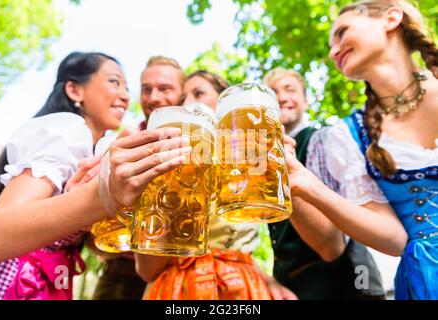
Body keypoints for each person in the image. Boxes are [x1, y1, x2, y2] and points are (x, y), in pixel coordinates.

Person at [0, 52, 190, 299]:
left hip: (49, 284)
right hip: (15, 284)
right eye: (114, 82)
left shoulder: (94, 148)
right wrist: (100, 196)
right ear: (74, 90)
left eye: (127, 87)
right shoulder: (68, 130)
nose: (127, 96)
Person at [285, 0, 437, 300]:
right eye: (330, 44)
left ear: (391, 18)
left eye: (342, 32)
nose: (333, 51)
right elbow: (394, 240)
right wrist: (307, 185)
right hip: (426, 281)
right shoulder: (349, 136)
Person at [134, 70, 298, 300]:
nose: (189, 103)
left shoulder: (249, 164)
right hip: (177, 290)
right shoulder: (169, 168)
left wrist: (267, 279)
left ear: (225, 104)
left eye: (198, 93)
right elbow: (146, 270)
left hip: (242, 289)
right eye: (182, 99)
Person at [263, 68, 385, 299]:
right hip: (297, 285)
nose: (281, 97)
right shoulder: (260, 158)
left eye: (290, 89)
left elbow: (336, 241)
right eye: (273, 93)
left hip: (350, 280)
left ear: (306, 100)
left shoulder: (324, 138)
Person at [91, 55, 186, 300]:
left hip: (182, 269)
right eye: (147, 89)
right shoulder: (122, 143)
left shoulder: (199, 139)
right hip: (122, 273)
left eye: (165, 88)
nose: (154, 97)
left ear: (183, 94)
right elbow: (91, 238)